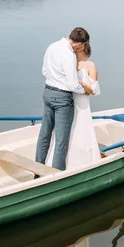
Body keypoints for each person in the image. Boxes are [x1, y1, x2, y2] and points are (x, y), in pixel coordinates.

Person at [35, 28, 94, 171]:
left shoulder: (52, 46)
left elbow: (44, 70)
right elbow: (72, 84)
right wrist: (85, 91)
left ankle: (37, 167)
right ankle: (57, 174)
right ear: (79, 45)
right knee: (62, 139)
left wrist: (55, 78)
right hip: (62, 98)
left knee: (45, 133)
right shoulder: (68, 55)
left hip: (47, 93)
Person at [45, 41, 101, 170]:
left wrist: (81, 84)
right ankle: (60, 164)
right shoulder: (70, 63)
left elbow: (94, 90)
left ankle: (83, 163)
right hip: (67, 103)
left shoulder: (90, 65)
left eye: (76, 49)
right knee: (64, 134)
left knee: (81, 131)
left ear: (82, 48)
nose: (73, 50)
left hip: (82, 104)